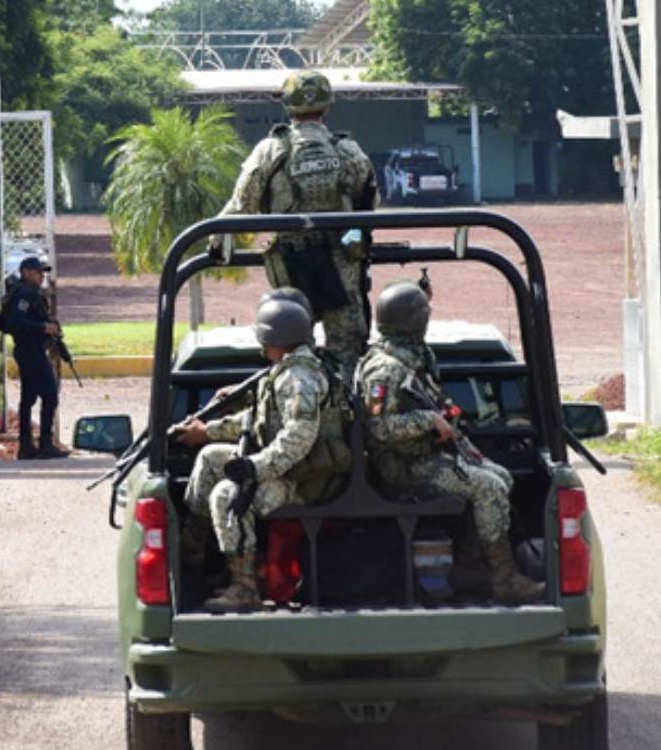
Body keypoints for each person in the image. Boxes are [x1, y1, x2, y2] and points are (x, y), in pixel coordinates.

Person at [354, 281, 544, 604]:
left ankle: (470, 567)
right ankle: (504, 577)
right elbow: (376, 428)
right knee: (488, 487)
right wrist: (428, 421)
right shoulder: (383, 370)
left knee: (501, 476)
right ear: (414, 322)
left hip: (424, 457)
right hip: (403, 468)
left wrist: (447, 417)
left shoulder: (411, 359)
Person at [210, 70, 377, 383]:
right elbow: (369, 203)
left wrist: (217, 238)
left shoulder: (270, 150)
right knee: (348, 350)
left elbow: (241, 206)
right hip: (341, 261)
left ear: (289, 106)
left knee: (293, 347)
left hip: (290, 263)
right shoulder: (349, 150)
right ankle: (350, 415)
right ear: (326, 107)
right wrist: (350, 235)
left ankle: (302, 405)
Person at [172, 295, 329, 613]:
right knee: (210, 457)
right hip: (286, 471)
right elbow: (258, 422)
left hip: (303, 482)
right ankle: (196, 553)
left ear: (275, 339)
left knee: (226, 495)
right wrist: (207, 431)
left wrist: (253, 468)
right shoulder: (283, 371)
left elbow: (296, 441)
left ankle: (245, 588)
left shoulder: (300, 380)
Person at [3, 256, 68, 459]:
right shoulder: (24, 293)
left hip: (31, 349)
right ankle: (45, 444)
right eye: (38, 271)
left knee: (28, 399)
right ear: (26, 272)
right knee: (49, 394)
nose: (42, 276)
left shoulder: (30, 293)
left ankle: (26, 446)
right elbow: (15, 322)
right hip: (29, 350)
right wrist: (43, 327)